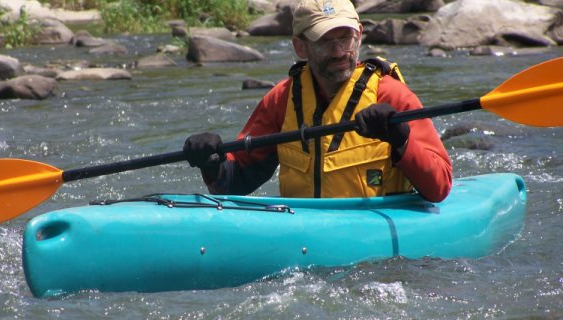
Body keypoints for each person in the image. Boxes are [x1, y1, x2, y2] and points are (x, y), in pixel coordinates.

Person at [183, 0, 452, 202]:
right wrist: (212, 162)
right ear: (300, 47)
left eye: (345, 38)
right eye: (325, 41)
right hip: (304, 230)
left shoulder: (391, 95)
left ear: (359, 34)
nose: (338, 52)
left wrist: (401, 140)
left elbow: (439, 187)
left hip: (372, 234)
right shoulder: (283, 99)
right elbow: (235, 182)